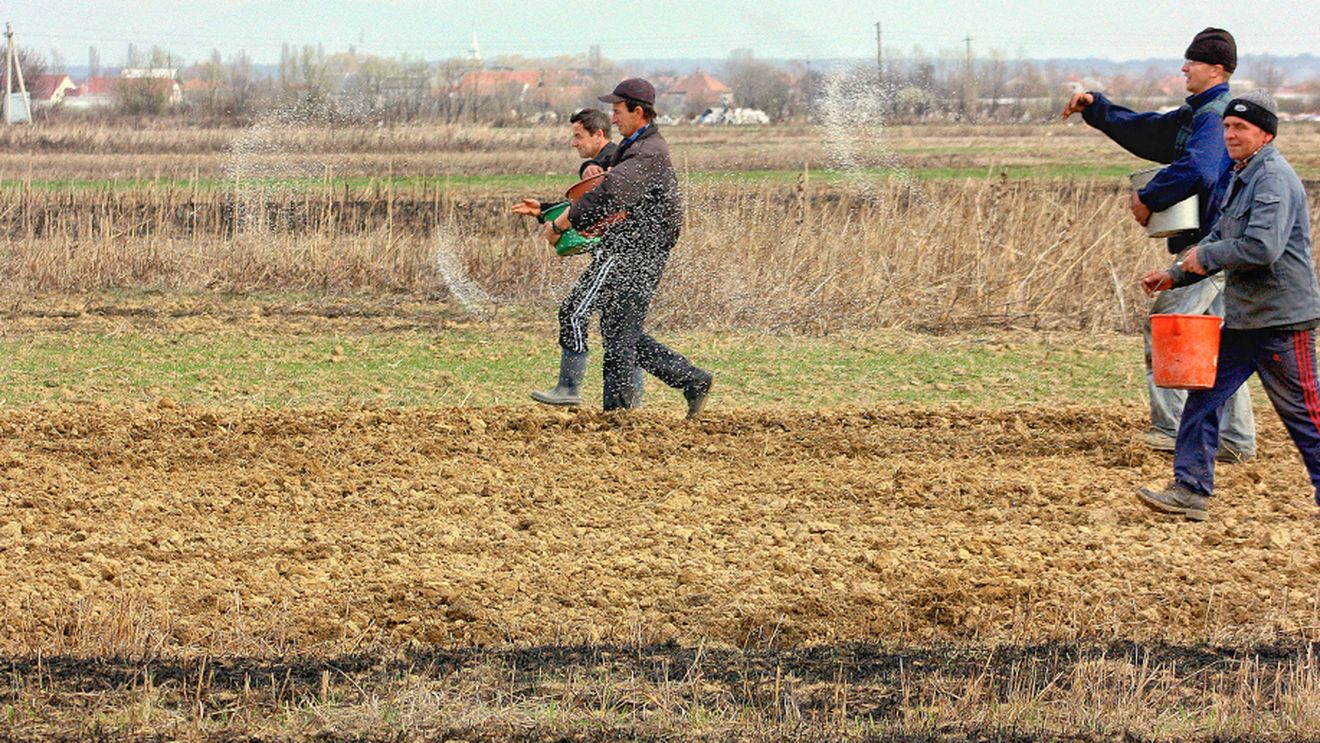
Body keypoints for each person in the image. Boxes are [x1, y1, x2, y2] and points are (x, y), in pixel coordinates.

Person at [1061, 27, 1255, 462]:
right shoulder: (1199, 113)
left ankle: (1171, 428)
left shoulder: (1213, 116)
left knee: (1167, 324)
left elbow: (1199, 168)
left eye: (1193, 62)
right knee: (1218, 340)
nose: (1184, 68)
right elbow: (1150, 132)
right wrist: (1099, 109)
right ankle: (1234, 439)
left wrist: (1148, 197)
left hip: (1210, 243)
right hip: (1223, 241)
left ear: (1217, 69)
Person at [1137, 89, 1320, 522]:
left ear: (1266, 134)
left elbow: (1262, 248)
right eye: (1227, 127)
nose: (1231, 134)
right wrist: (1176, 273)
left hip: (1281, 321)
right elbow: (1220, 238)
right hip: (1245, 318)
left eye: (1241, 127)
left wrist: (1206, 257)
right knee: (1203, 396)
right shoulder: (1243, 173)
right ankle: (1190, 490)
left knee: (1305, 415)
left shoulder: (1272, 178)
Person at [543, 78, 714, 416]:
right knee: (620, 333)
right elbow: (606, 177)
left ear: (638, 111)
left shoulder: (649, 151)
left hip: (637, 251)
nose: (614, 118)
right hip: (639, 249)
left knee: (592, 318)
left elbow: (610, 192)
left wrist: (562, 223)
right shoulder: (635, 145)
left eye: (618, 111)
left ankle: (589, 399)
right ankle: (687, 382)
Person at [513, 108, 643, 406]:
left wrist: (591, 166)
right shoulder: (604, 164)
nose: (573, 143)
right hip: (626, 256)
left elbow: (595, 199)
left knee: (573, 312)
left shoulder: (609, 164)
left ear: (599, 135)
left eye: (578, 136)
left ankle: (569, 387)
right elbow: (588, 207)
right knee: (621, 328)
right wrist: (544, 209)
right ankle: (629, 404)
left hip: (616, 255)